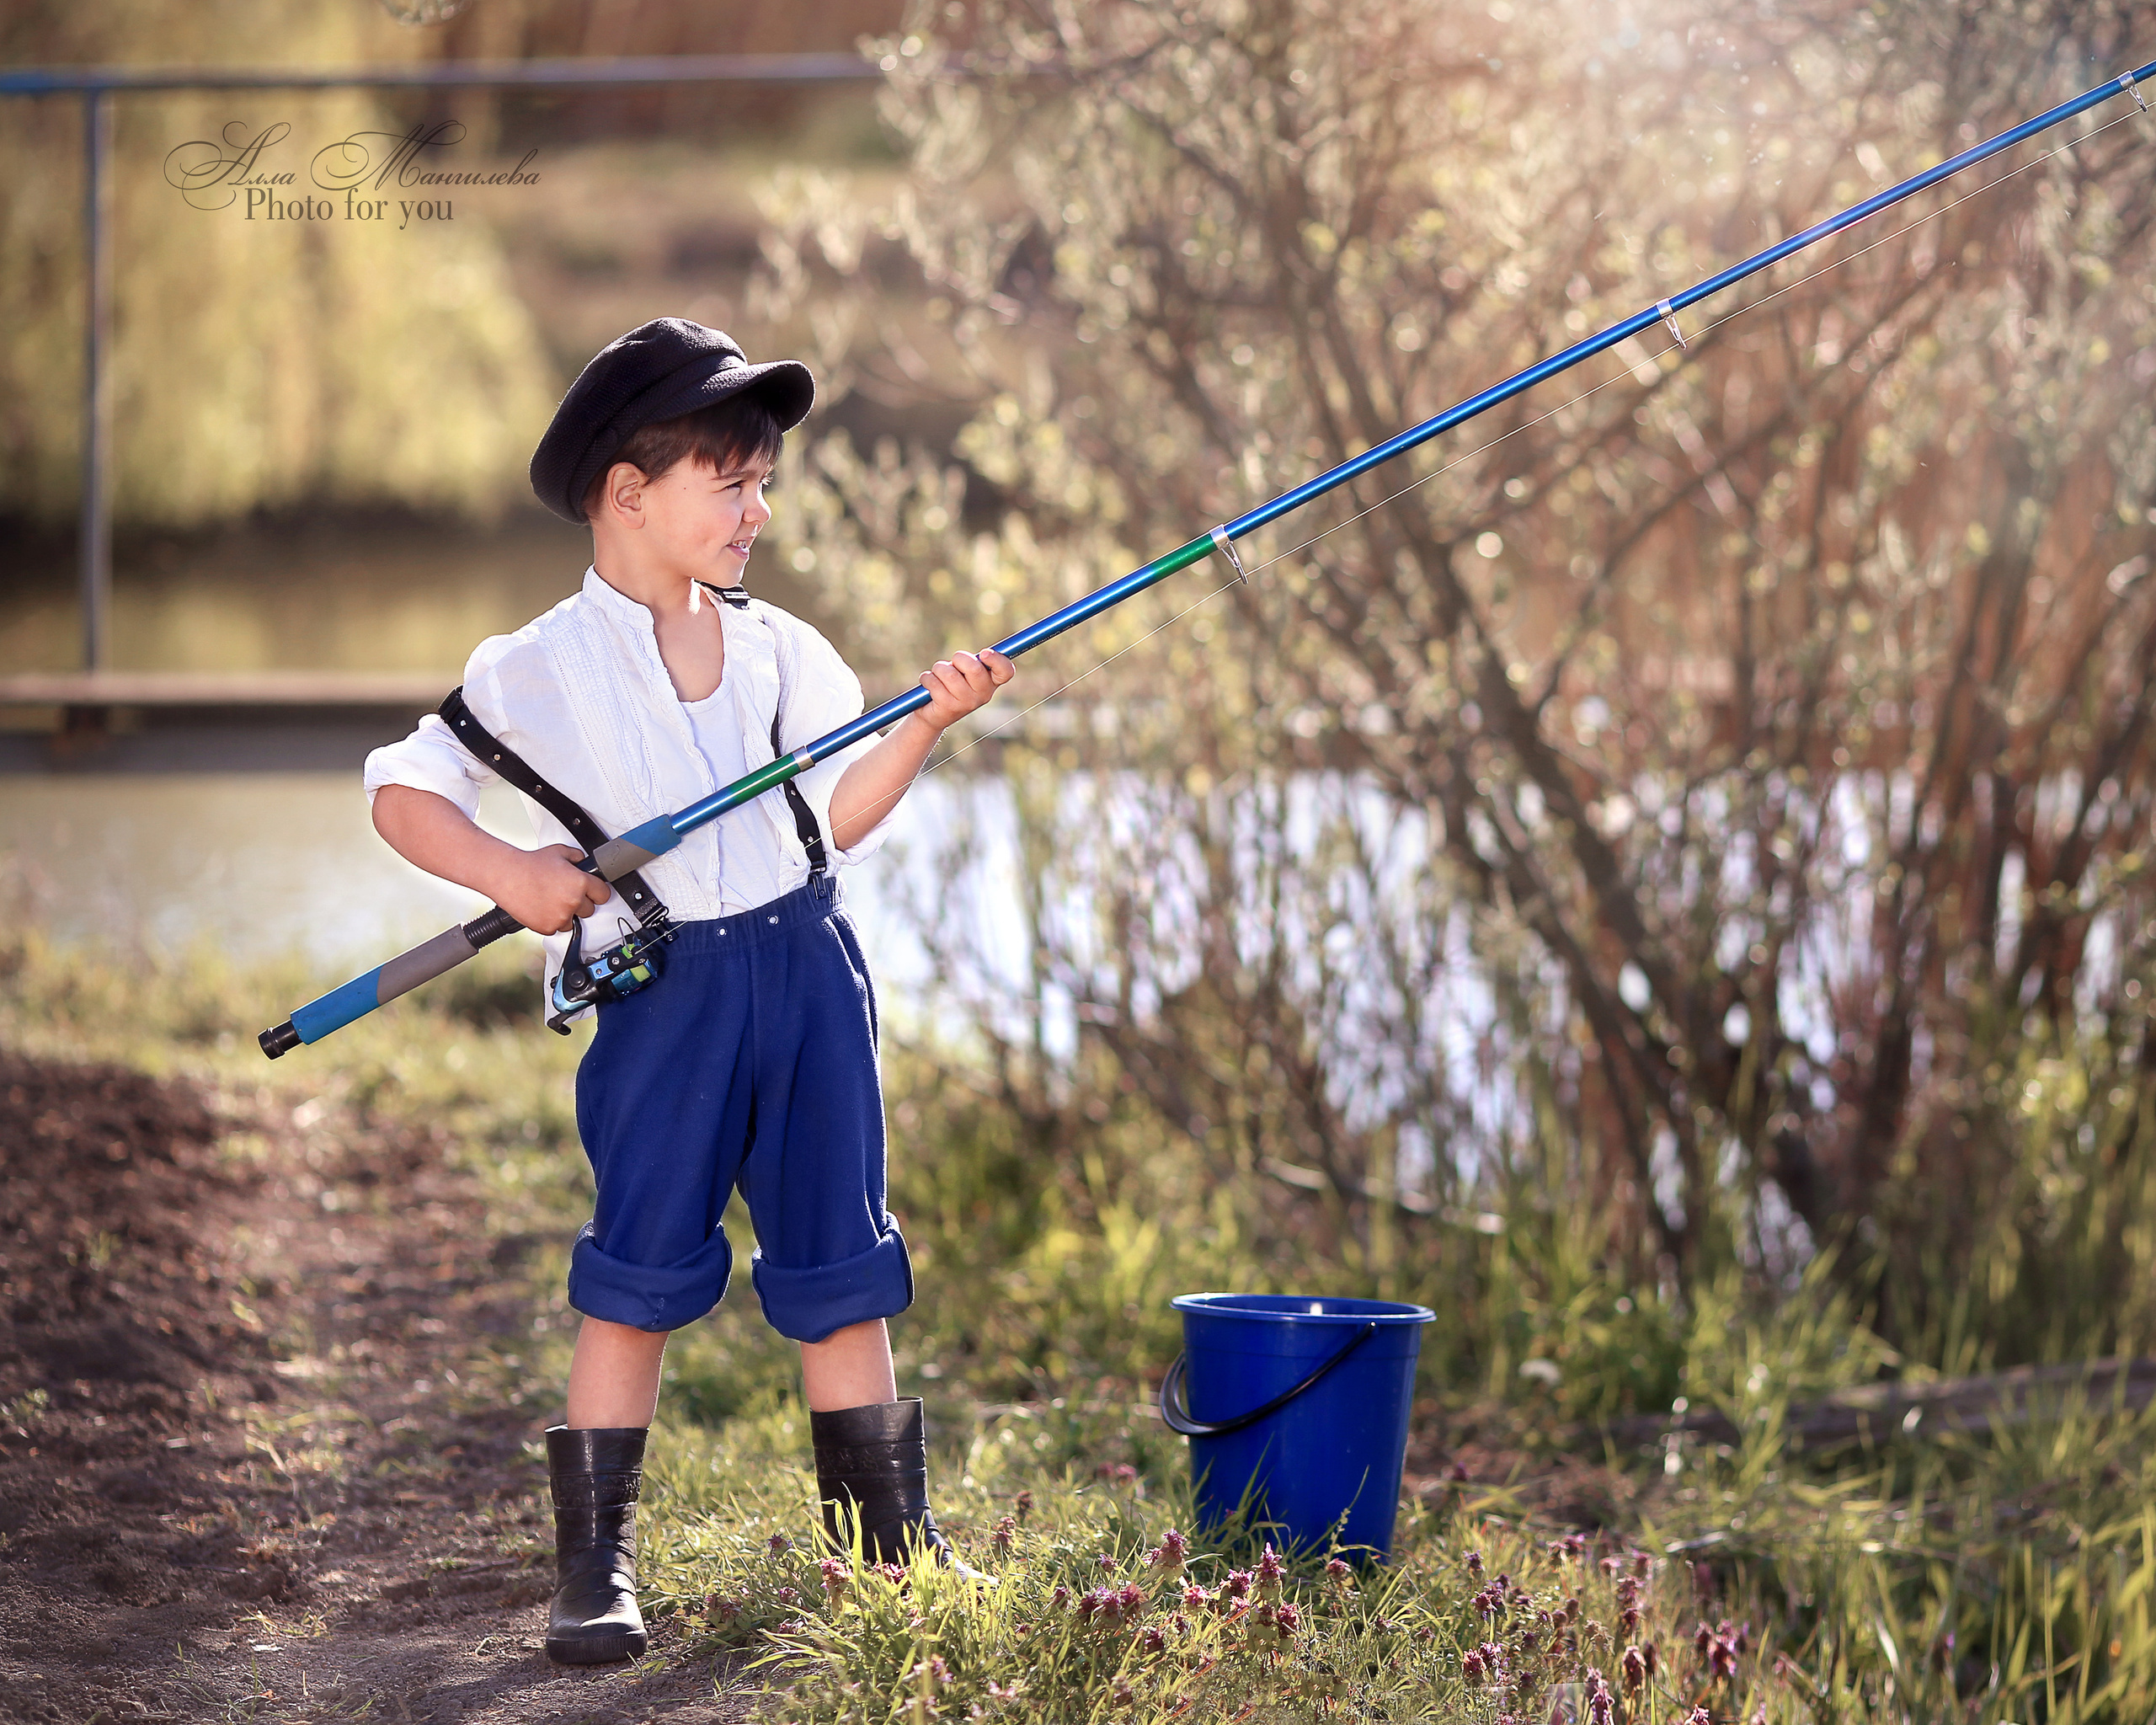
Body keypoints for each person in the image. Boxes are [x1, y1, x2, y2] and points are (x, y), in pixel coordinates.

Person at [361, 318, 1013, 1664]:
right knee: (636, 1273)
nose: (758, 509)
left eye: (764, 481)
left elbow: (838, 811)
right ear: (628, 493)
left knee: (842, 1264)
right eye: (733, 481)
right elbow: (402, 790)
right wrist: (514, 875)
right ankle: (594, 1569)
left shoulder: (779, 646)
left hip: (810, 974)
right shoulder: (532, 665)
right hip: (669, 1008)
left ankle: (886, 1555)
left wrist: (924, 727)